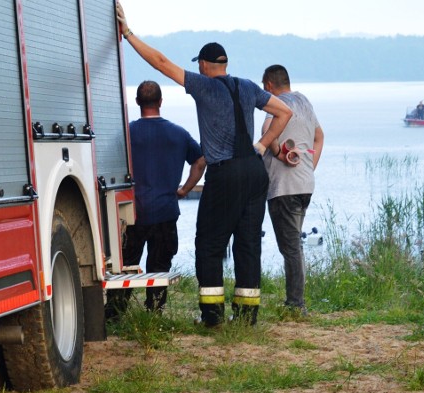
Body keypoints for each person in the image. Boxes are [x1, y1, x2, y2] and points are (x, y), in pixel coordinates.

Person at [115, 1, 293, 327]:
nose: (197, 70)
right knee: (248, 243)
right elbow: (285, 112)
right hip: (255, 172)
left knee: (208, 244)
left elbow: (161, 63)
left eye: (200, 65)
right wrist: (263, 145)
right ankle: (247, 316)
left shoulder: (203, 86)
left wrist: (128, 33)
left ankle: (212, 316)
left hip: (225, 173)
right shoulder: (248, 86)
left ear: (207, 66)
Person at [106, 80, 206, 320]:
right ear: (161, 102)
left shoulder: (126, 134)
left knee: (126, 265)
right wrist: (185, 189)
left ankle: (116, 314)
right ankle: (154, 312)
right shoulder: (179, 134)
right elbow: (201, 160)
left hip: (132, 213)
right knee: (160, 266)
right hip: (165, 211)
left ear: (138, 102)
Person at [260, 64, 324, 314]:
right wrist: (310, 167)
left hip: (283, 186)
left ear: (268, 85)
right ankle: (294, 300)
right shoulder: (304, 101)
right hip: (305, 183)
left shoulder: (275, 103)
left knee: (291, 247)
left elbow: (266, 131)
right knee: (293, 244)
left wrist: (277, 153)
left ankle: (296, 304)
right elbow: (320, 137)